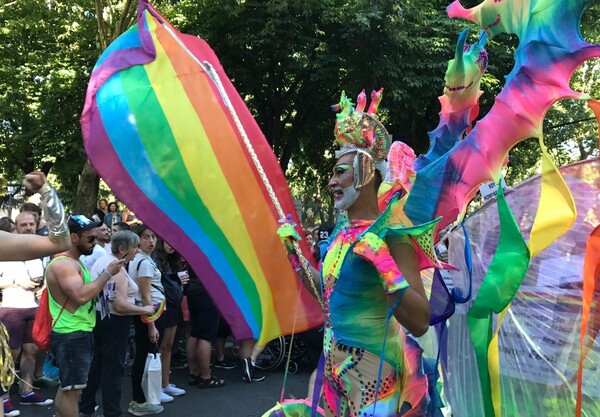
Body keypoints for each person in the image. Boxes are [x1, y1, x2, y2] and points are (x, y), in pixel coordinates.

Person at [279, 90, 436, 417]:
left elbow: (420, 321)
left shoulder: (391, 234)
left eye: (340, 172)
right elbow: (329, 300)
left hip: (376, 382)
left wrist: (383, 264)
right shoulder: (340, 235)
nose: (330, 181)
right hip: (335, 378)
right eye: (333, 172)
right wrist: (296, 258)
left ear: (366, 173)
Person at [0, 172, 70, 417]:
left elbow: (61, 241)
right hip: (11, 308)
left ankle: (25, 390)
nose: (28, 227)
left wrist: (47, 192)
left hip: (30, 306)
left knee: (29, 352)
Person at [45, 214, 125, 417]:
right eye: (90, 238)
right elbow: (81, 296)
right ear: (74, 238)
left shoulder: (73, 262)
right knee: (73, 392)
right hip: (72, 333)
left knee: (67, 387)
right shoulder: (64, 264)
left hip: (75, 331)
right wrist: (107, 274)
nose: (94, 242)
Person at [79, 231, 156, 417]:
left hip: (100, 318)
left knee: (98, 366)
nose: (136, 251)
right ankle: (111, 411)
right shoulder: (117, 268)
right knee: (113, 369)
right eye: (134, 247)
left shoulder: (103, 260)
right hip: (114, 322)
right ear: (122, 249)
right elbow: (120, 305)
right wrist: (145, 310)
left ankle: (86, 407)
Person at [128, 225, 166, 414]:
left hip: (152, 314)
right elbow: (145, 298)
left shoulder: (144, 259)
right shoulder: (143, 263)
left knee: (146, 355)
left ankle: (144, 398)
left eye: (153, 237)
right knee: (144, 357)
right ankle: (139, 401)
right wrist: (151, 325)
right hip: (149, 316)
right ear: (137, 240)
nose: (151, 241)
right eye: (145, 237)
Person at [154, 239, 187, 399]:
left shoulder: (172, 261)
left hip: (173, 306)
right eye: (167, 241)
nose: (171, 245)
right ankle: (156, 387)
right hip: (161, 307)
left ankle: (165, 384)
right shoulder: (154, 260)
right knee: (161, 348)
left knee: (168, 346)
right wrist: (176, 278)